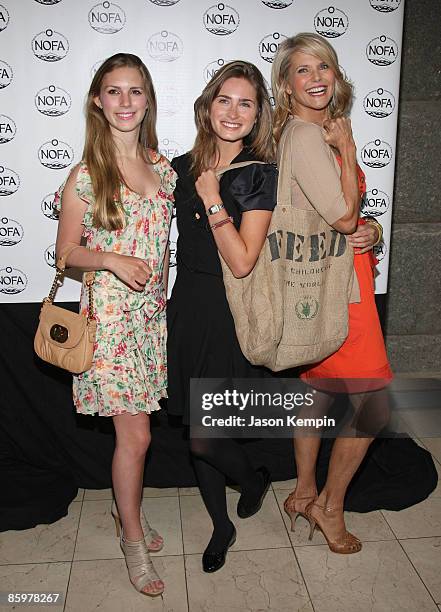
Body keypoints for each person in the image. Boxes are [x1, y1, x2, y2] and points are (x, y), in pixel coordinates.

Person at [54, 53, 176, 596]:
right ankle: (132, 539)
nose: (125, 102)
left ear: (147, 100)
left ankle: (126, 510)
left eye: (135, 91)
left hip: (150, 325)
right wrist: (111, 260)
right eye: (114, 91)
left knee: (137, 439)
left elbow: (164, 246)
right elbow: (65, 255)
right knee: (137, 435)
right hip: (108, 324)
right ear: (98, 102)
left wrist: (162, 291)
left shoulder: (163, 167)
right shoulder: (85, 175)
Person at [271, 33, 392, 553]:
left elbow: (349, 217)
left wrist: (375, 230)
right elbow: (342, 216)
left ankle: (303, 491)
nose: (316, 76)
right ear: (286, 84)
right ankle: (329, 506)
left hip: (337, 279)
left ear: (337, 75)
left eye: (324, 66)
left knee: (316, 392)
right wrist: (347, 150)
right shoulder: (306, 135)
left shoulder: (317, 129)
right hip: (341, 291)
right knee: (373, 404)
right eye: (302, 69)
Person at [167, 60, 277, 572]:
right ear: (207, 106)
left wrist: (214, 200)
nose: (233, 112)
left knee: (205, 432)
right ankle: (221, 525)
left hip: (229, 310)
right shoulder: (178, 166)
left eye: (246, 103)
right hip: (186, 307)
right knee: (197, 424)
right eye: (224, 100)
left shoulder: (258, 174)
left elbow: (241, 259)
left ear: (258, 116)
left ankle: (253, 480)